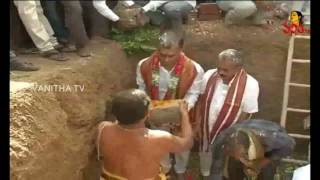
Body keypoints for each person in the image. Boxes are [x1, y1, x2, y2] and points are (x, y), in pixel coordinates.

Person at [136, 27, 204, 179]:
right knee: (160, 145)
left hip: (182, 116)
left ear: (181, 49)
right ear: (157, 49)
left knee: (182, 148)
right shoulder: (144, 65)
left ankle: (180, 170)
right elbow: (142, 89)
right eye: (162, 55)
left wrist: (178, 112)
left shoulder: (194, 69)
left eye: (171, 55)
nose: (166, 59)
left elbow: (193, 94)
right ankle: (164, 170)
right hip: (155, 113)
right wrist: (149, 108)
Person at [96, 89, 193, 180]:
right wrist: (184, 115)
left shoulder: (103, 128)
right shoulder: (160, 138)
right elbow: (187, 143)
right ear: (147, 114)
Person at [194, 49, 259, 179]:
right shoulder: (209, 75)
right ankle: (204, 174)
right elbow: (201, 101)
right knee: (205, 156)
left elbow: (246, 114)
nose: (221, 72)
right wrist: (197, 123)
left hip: (227, 133)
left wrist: (235, 138)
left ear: (238, 68)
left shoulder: (250, 84)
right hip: (206, 128)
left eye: (226, 70)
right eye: (219, 68)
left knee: (220, 162)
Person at [208, 119, 296, 180]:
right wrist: (246, 163)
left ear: (247, 147)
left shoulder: (269, 137)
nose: (238, 158)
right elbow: (215, 172)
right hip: (247, 137)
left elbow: (290, 145)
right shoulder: (220, 142)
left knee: (266, 173)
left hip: (271, 143)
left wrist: (261, 163)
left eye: (243, 155)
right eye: (232, 154)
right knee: (234, 171)